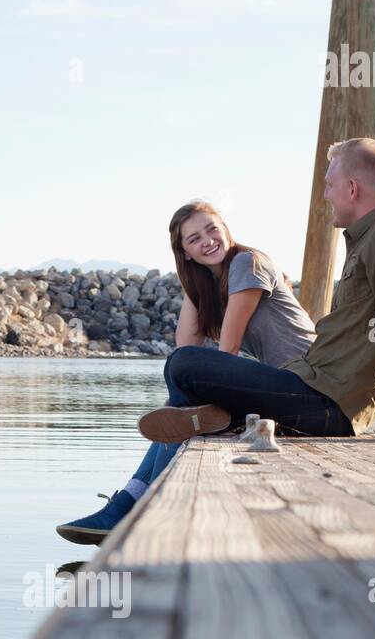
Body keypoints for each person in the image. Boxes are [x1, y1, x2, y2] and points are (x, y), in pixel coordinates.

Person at [138, 138, 375, 455]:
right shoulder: (368, 238)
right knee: (183, 366)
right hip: (312, 385)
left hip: (329, 403)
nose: (325, 194)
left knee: (184, 364)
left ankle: (136, 497)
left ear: (352, 188)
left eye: (330, 184)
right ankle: (140, 493)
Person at [56, 201, 324, 545]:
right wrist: (194, 283)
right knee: (185, 393)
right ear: (185, 254)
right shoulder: (215, 281)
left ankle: (131, 503)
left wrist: (196, 391)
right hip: (286, 392)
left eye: (212, 229)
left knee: (186, 381)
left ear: (226, 228)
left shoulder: (246, 262)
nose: (208, 241)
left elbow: (223, 355)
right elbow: (186, 343)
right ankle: (132, 500)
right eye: (194, 240)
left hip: (311, 390)